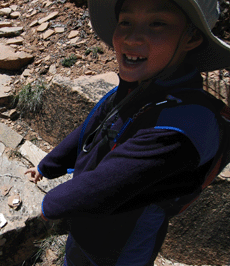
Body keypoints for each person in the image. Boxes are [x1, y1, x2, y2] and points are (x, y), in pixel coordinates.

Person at [25, 0, 230, 265]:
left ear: (191, 37)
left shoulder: (185, 126)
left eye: (158, 23)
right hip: (86, 226)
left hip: (122, 247)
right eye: (125, 22)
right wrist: (48, 166)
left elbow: (104, 187)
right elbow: (93, 127)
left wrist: (48, 206)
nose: (132, 38)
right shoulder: (142, 88)